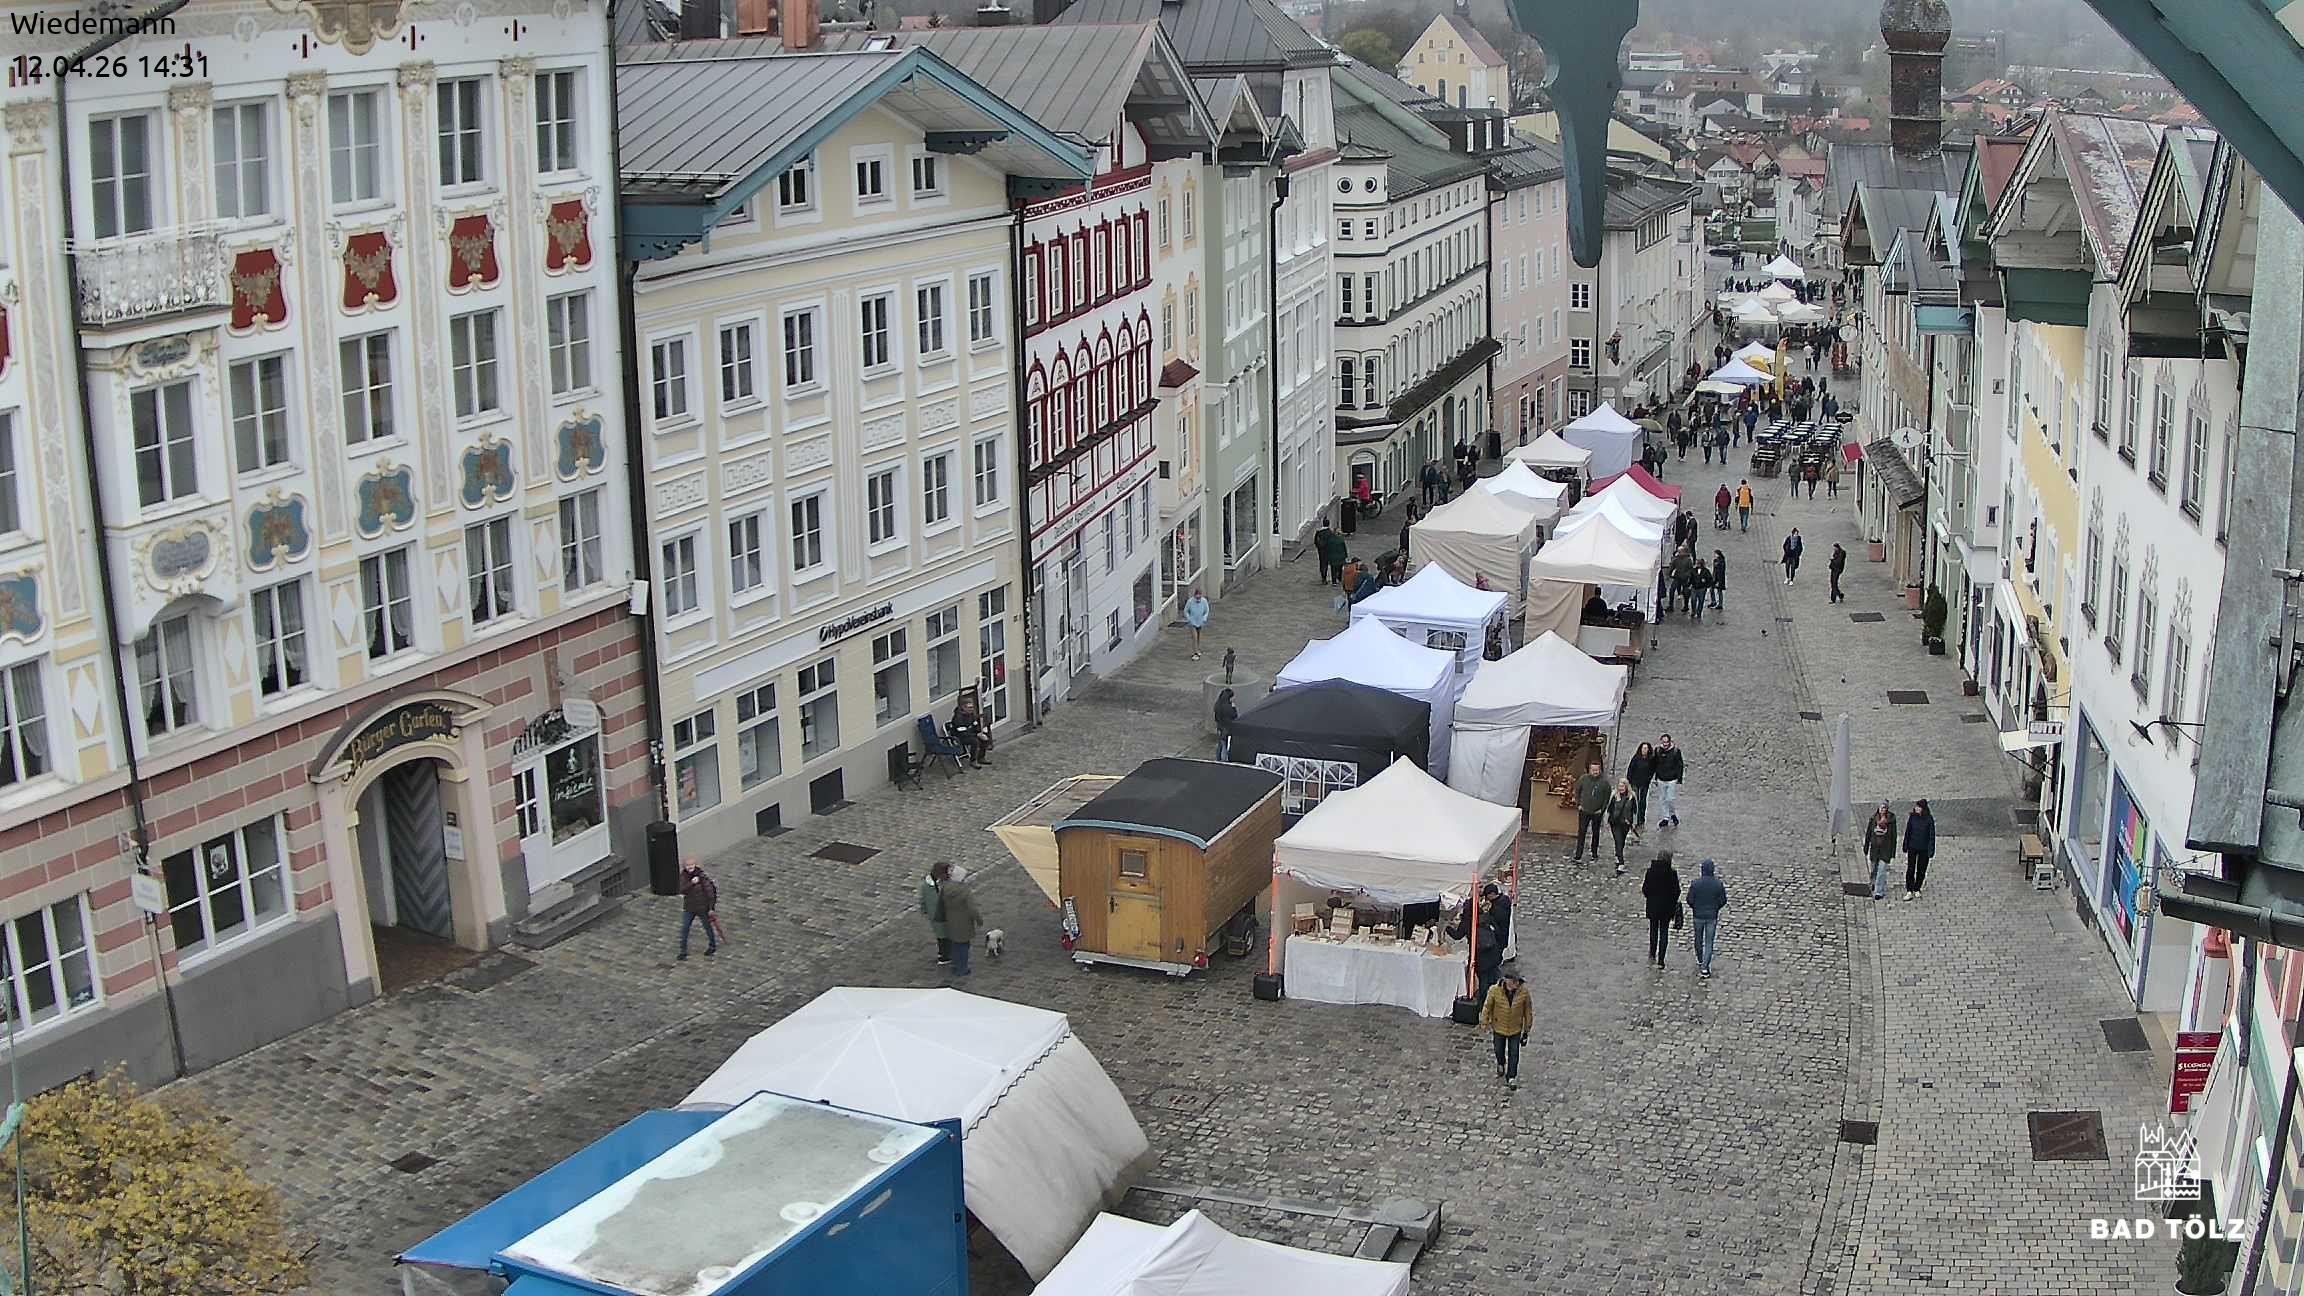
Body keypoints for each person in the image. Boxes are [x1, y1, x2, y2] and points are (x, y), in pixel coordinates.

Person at [1481, 967, 1533, 1089]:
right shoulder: (1494, 990)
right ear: (1506, 981)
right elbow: (1487, 1007)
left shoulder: (1524, 993)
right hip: (1499, 1027)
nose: (1515, 985)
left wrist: (1526, 1030)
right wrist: (1485, 1021)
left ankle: (1511, 1077)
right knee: (1498, 1048)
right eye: (1513, 982)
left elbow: (1528, 1011)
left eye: (1517, 982)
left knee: (1514, 1053)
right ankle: (1501, 1062)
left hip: (1515, 1028)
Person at [931, 861, 981, 976]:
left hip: (951, 921)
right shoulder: (965, 891)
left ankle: (955, 965)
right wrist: (979, 920)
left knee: (955, 944)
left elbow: (941, 905)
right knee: (963, 946)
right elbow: (972, 908)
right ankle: (962, 969)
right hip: (964, 923)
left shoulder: (945, 889)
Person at [1686, 858, 1728, 977]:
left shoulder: (1695, 884)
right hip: (1711, 916)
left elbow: (1689, 899)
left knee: (1698, 939)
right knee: (1709, 942)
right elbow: (1723, 900)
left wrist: (1695, 907)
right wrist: (1715, 908)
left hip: (1698, 915)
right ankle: (1705, 966)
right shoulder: (1718, 884)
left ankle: (1700, 959)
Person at [1642, 852, 1682, 968]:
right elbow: (1676, 891)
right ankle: (1661, 959)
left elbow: (1645, 889)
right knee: (1664, 932)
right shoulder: (1672, 874)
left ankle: (1652, 953)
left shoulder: (1651, 872)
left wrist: (1651, 898)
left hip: (1653, 906)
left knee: (1653, 930)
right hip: (1666, 908)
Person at [677, 857, 720, 960]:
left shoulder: (702, 877)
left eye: (691, 865)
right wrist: (692, 883)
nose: (690, 867)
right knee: (685, 928)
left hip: (702, 908)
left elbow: (710, 892)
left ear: (695, 865)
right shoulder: (683, 877)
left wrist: (711, 908)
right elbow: (682, 889)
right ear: (685, 866)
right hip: (689, 908)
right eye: (688, 865)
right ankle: (683, 951)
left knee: (707, 927)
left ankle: (712, 945)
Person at [1573, 759, 1610, 863]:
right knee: (1581, 832)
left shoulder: (1604, 782)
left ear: (1600, 770)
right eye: (1593, 770)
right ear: (1589, 770)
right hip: (1584, 810)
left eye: (1597, 770)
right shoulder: (1583, 779)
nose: (1595, 772)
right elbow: (1577, 791)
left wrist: (1602, 810)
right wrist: (1578, 804)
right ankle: (1578, 854)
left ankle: (1594, 853)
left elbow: (1607, 798)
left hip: (1597, 812)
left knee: (1596, 833)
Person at [918, 863, 955, 964]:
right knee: (943, 935)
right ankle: (944, 955)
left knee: (944, 934)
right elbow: (923, 899)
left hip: (942, 913)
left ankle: (944, 953)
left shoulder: (931, 884)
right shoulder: (930, 885)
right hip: (938, 914)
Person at [1864, 803, 1899, 901]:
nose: (1882, 810)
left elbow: (1893, 836)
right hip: (1875, 849)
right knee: (1874, 869)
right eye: (1881, 808)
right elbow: (1868, 834)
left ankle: (1879, 892)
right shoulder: (1873, 819)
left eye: (1884, 808)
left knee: (1882, 871)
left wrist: (1893, 852)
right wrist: (1866, 847)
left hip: (1885, 849)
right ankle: (1874, 883)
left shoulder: (1891, 821)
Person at [1903, 799, 1937, 901]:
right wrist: (1905, 845)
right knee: (1910, 869)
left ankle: (1917, 888)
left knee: (1921, 870)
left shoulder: (1929, 819)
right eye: (1916, 806)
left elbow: (1931, 835)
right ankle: (1909, 889)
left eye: (1918, 807)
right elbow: (1908, 832)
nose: (1916, 808)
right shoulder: (1912, 817)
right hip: (1912, 847)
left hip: (1924, 849)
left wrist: (1931, 850)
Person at [1651, 733, 1685, 828]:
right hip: (1661, 778)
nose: (1665, 744)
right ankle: (1665, 817)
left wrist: (1679, 778)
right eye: (1663, 742)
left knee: (1670, 798)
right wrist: (1655, 777)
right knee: (1662, 799)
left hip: (1672, 779)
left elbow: (1680, 765)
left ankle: (1672, 814)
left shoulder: (1676, 751)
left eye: (1667, 742)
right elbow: (1654, 764)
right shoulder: (1658, 751)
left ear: (1670, 742)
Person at [1606, 777, 1639, 874]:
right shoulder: (1614, 796)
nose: (1621, 788)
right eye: (1619, 786)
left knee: (1622, 841)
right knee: (1618, 841)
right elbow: (1609, 809)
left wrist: (1634, 823)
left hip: (1626, 823)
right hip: (1615, 822)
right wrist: (1607, 821)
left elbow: (1635, 811)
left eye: (1623, 786)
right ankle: (1621, 863)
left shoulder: (1631, 797)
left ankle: (1618, 855)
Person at [949, 693, 992, 766]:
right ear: (963, 707)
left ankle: (981, 757)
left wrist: (979, 732)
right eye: (969, 708)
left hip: (970, 734)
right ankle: (973, 760)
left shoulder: (971, 715)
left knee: (985, 737)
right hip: (960, 736)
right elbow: (962, 732)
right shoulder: (958, 718)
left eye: (972, 707)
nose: (971, 709)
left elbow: (974, 725)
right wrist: (976, 734)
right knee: (975, 741)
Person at [1626, 741, 1657, 834]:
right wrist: (1629, 781)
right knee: (1635, 801)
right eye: (1643, 748)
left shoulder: (1651, 760)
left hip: (1644, 783)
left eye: (1646, 748)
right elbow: (1630, 770)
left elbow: (1652, 770)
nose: (1645, 750)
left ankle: (1641, 820)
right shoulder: (1636, 758)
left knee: (1642, 801)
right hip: (1635, 782)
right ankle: (1633, 819)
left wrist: (1648, 779)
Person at [1313, 518, 1344, 586]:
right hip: (1329, 551)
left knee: (1323, 564)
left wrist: (1319, 547)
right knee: (1333, 565)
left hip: (1321, 551)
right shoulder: (1330, 532)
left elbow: (1315, 541)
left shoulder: (1318, 532)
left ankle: (1324, 578)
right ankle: (1335, 578)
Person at [1183, 587, 1210, 660]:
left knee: (1198, 637)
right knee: (1194, 637)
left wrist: (1204, 618)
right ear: (1194, 595)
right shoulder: (1190, 601)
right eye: (1196, 597)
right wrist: (1189, 619)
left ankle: (1197, 649)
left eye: (1199, 597)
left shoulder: (1204, 601)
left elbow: (1207, 611)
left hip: (1200, 621)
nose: (1198, 598)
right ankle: (1195, 653)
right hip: (1192, 622)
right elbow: (1185, 611)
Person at [1213, 687, 1238, 761]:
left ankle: (1218, 758)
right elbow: (1234, 715)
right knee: (1225, 745)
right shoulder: (1228, 707)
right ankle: (1224, 760)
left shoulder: (1218, 704)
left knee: (1220, 743)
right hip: (1227, 728)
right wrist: (1233, 707)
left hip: (1220, 726)